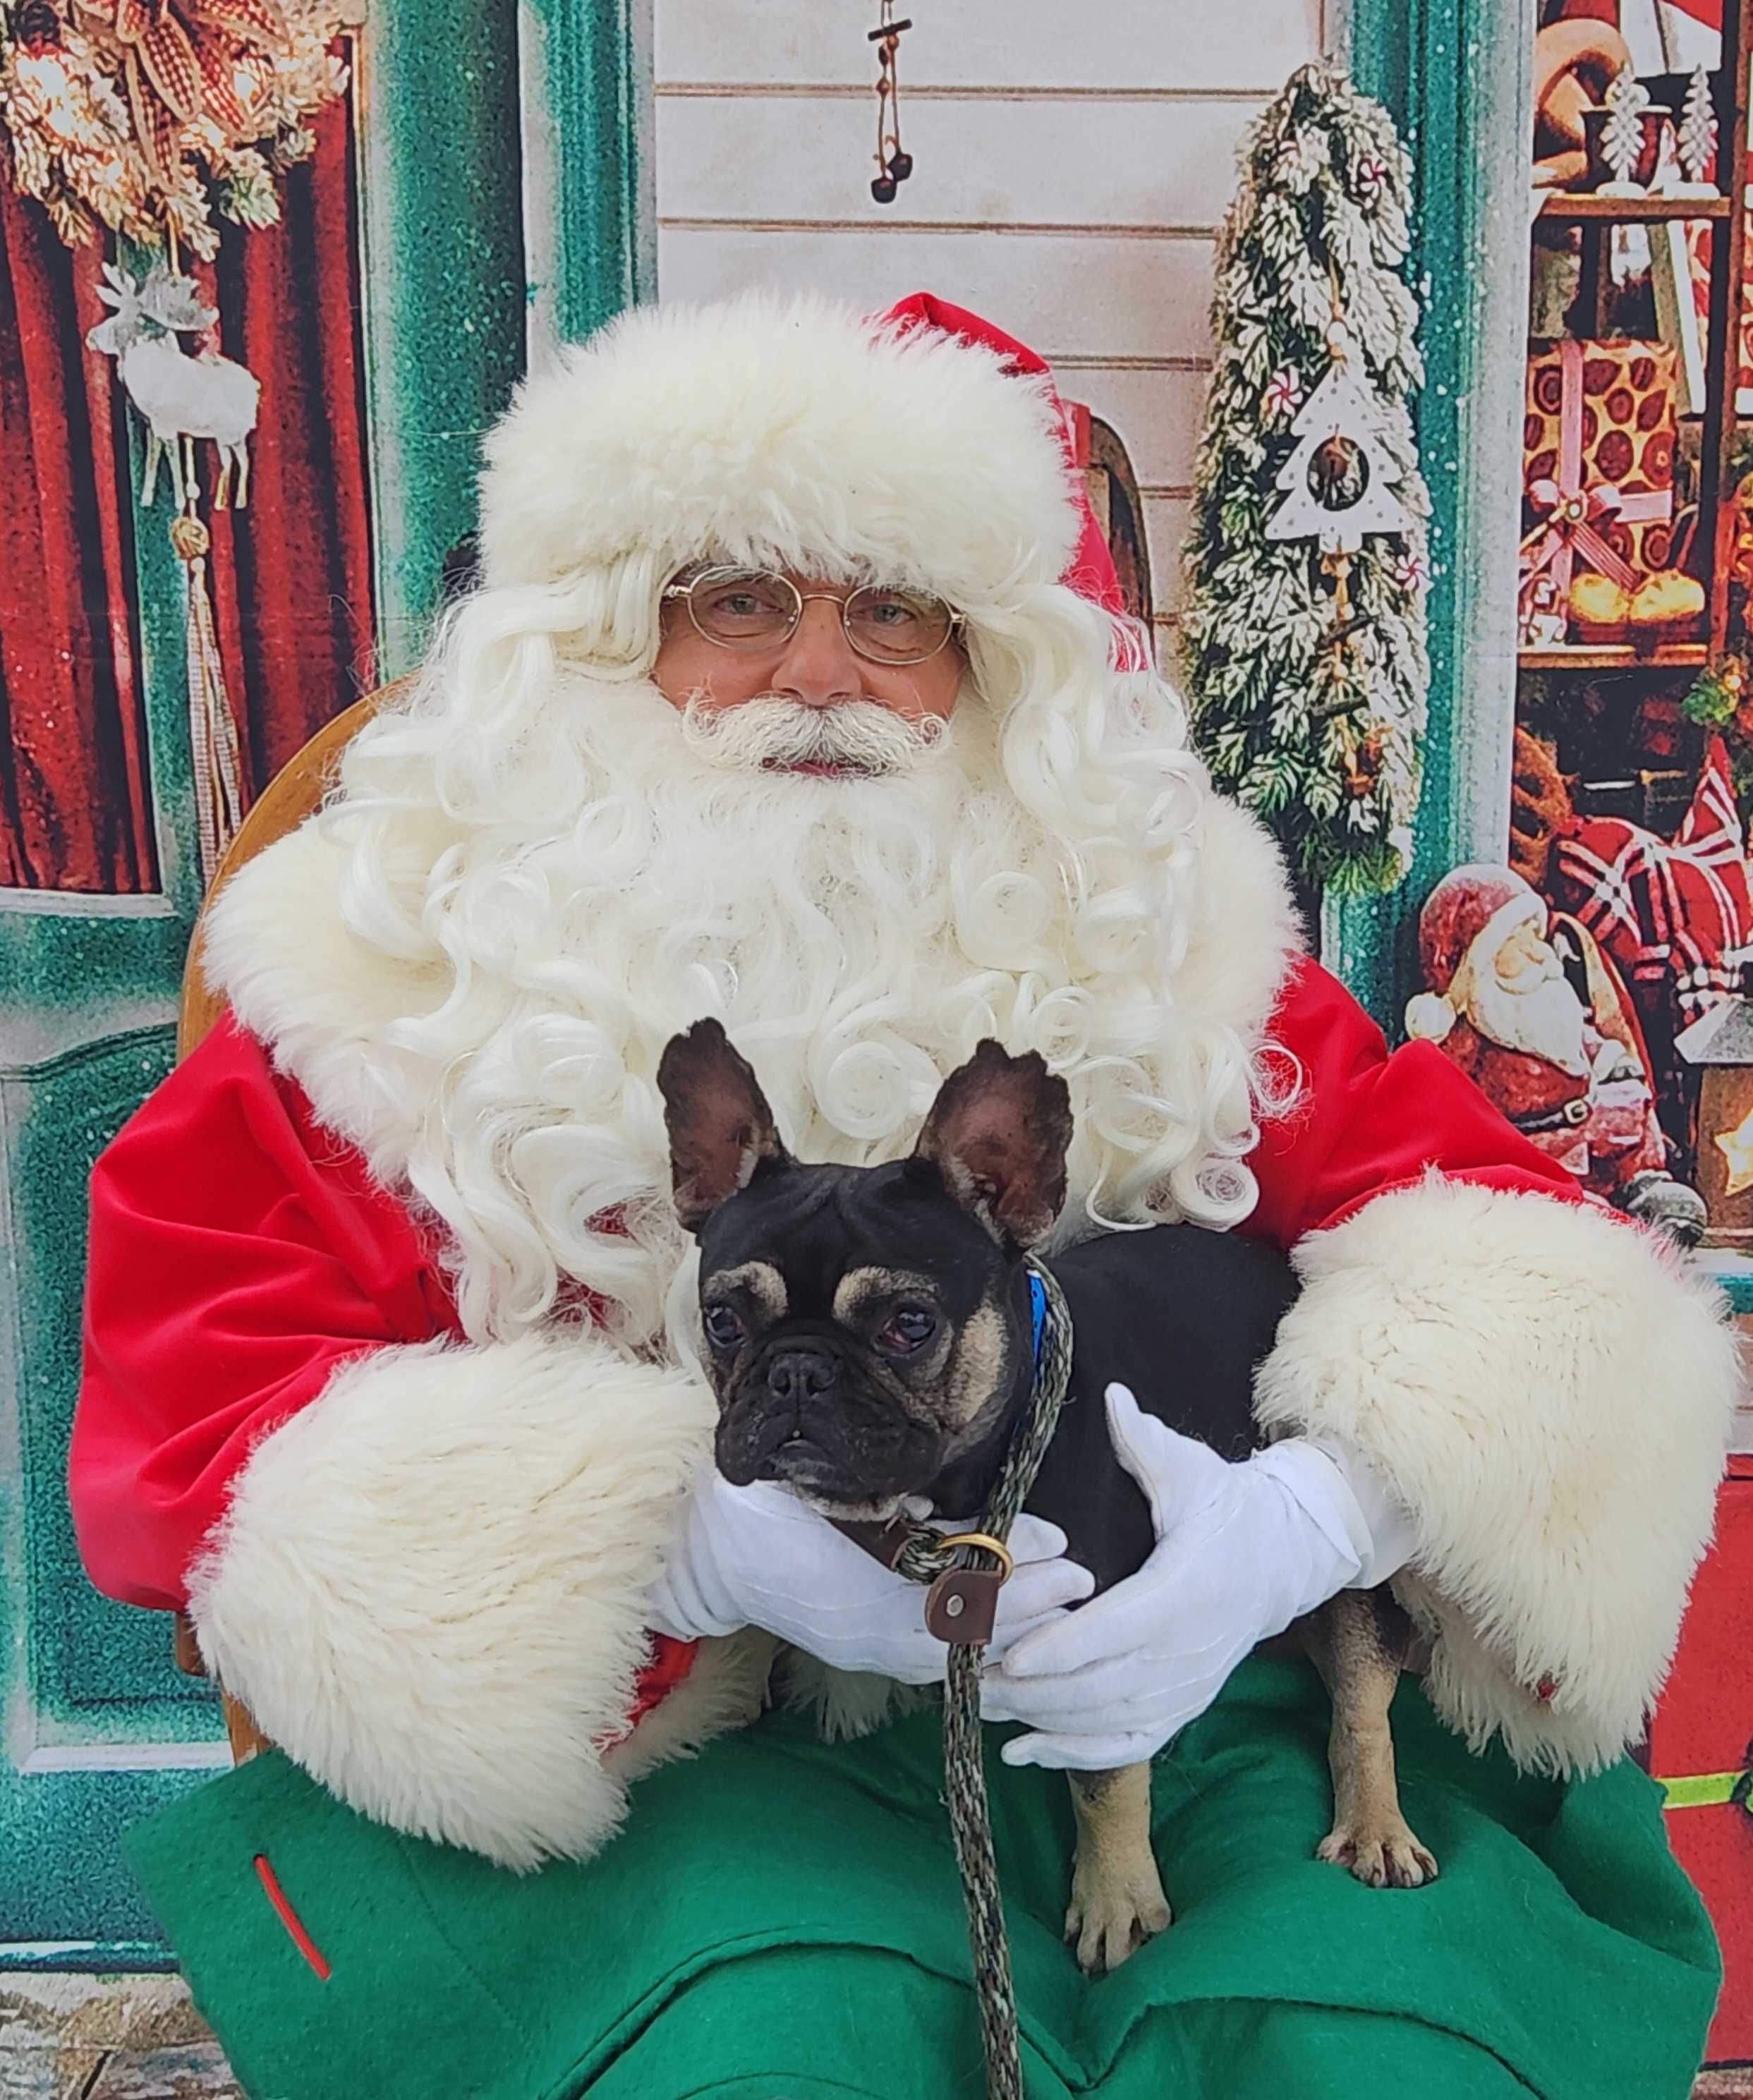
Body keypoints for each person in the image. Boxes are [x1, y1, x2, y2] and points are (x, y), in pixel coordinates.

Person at [73, 291, 1738, 2099]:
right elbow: (207, 1422)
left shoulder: (1160, 938)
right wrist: (668, 1548)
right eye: (737, 603)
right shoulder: (391, 981)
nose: (815, 674)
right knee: (774, 2059)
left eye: (892, 615)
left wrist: (1323, 1515)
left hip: (1155, 1672)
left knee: (1364, 2053)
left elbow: (1515, 1254)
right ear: (604, 648)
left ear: (991, 671)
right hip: (674, 1741)